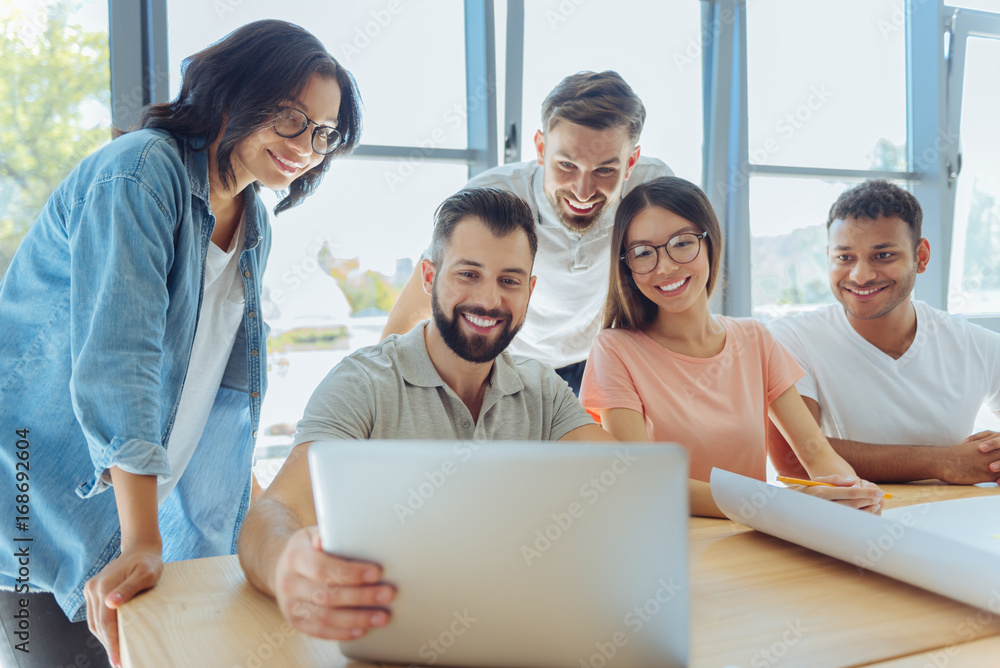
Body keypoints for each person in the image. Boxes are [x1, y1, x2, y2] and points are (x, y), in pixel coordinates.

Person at [0, 20, 361, 668]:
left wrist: (264, 532)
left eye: (323, 133)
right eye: (290, 118)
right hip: (34, 507)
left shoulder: (254, 226)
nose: (305, 146)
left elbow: (217, 400)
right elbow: (120, 361)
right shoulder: (140, 174)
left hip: (132, 523)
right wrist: (142, 541)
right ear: (234, 90)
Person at [237, 187, 607, 640]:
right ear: (429, 277)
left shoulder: (543, 388)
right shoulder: (363, 383)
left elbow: (621, 480)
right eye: (468, 274)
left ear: (529, 290)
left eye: (509, 281)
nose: (489, 301)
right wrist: (284, 565)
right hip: (385, 632)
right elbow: (271, 514)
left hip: (512, 629)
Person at [579, 176, 885, 518]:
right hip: (668, 543)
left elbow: (815, 453)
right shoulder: (614, 350)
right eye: (642, 253)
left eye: (681, 244)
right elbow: (645, 480)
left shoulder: (754, 338)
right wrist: (774, 505)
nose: (664, 267)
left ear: (711, 242)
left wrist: (849, 491)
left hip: (756, 539)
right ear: (628, 266)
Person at [381, 71, 673, 394]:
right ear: (541, 148)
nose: (583, 191)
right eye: (566, 165)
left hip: (599, 357)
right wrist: (383, 393)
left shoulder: (653, 190)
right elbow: (417, 308)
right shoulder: (491, 197)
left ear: (631, 162)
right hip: (510, 360)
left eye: (605, 170)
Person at [767, 179, 1000, 484]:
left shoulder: (976, 345)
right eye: (844, 257)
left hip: (953, 518)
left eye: (883, 255)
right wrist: (944, 462)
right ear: (828, 257)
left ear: (922, 257)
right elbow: (794, 461)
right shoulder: (791, 338)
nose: (860, 276)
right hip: (845, 524)